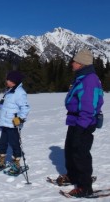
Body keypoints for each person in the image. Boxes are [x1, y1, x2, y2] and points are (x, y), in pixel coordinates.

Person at [56, 49, 104, 197]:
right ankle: (73, 176)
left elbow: (89, 106)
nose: (72, 63)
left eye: (75, 61)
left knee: (80, 154)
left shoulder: (90, 80)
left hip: (83, 122)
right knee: (70, 150)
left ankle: (84, 187)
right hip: (75, 120)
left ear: (82, 64)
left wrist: (81, 127)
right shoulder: (81, 77)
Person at [0, 70, 30, 174]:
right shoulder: (9, 90)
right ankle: (1, 161)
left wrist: (20, 119)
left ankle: (16, 163)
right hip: (5, 123)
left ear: (14, 81)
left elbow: (25, 108)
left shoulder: (20, 93)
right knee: (2, 143)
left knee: (14, 143)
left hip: (13, 124)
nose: (7, 81)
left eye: (9, 80)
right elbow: (5, 106)